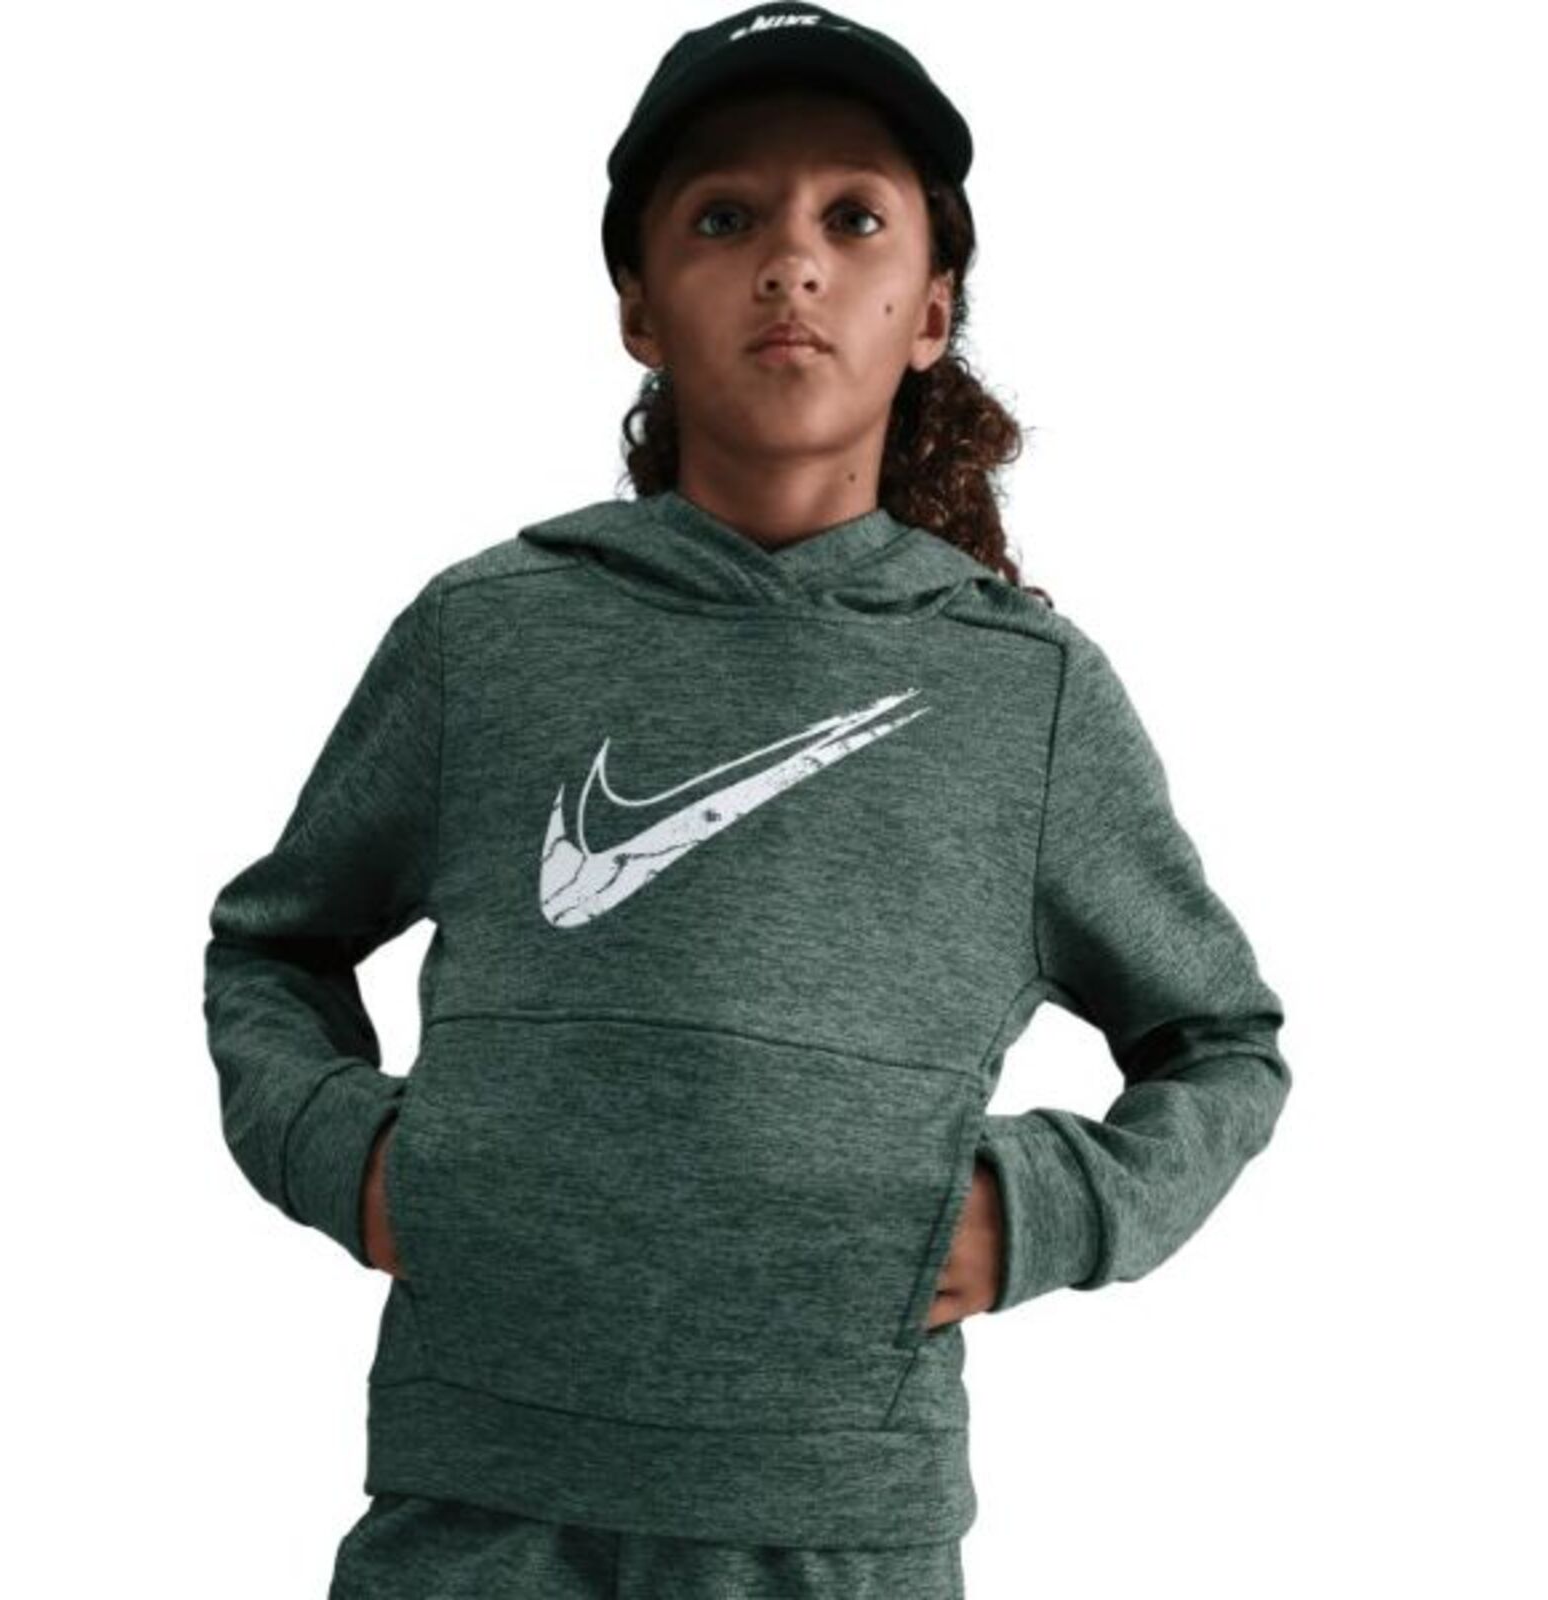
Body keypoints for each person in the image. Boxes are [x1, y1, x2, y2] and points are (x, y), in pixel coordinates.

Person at [201, 6, 1292, 1596]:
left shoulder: (1026, 694)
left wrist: (1037, 1207)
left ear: (931, 311)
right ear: (639, 307)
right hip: (480, 1514)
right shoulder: (486, 636)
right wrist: (347, 1150)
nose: (792, 263)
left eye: (853, 220)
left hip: (831, 1533)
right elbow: (272, 946)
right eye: (725, 219)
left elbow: (1222, 1043)